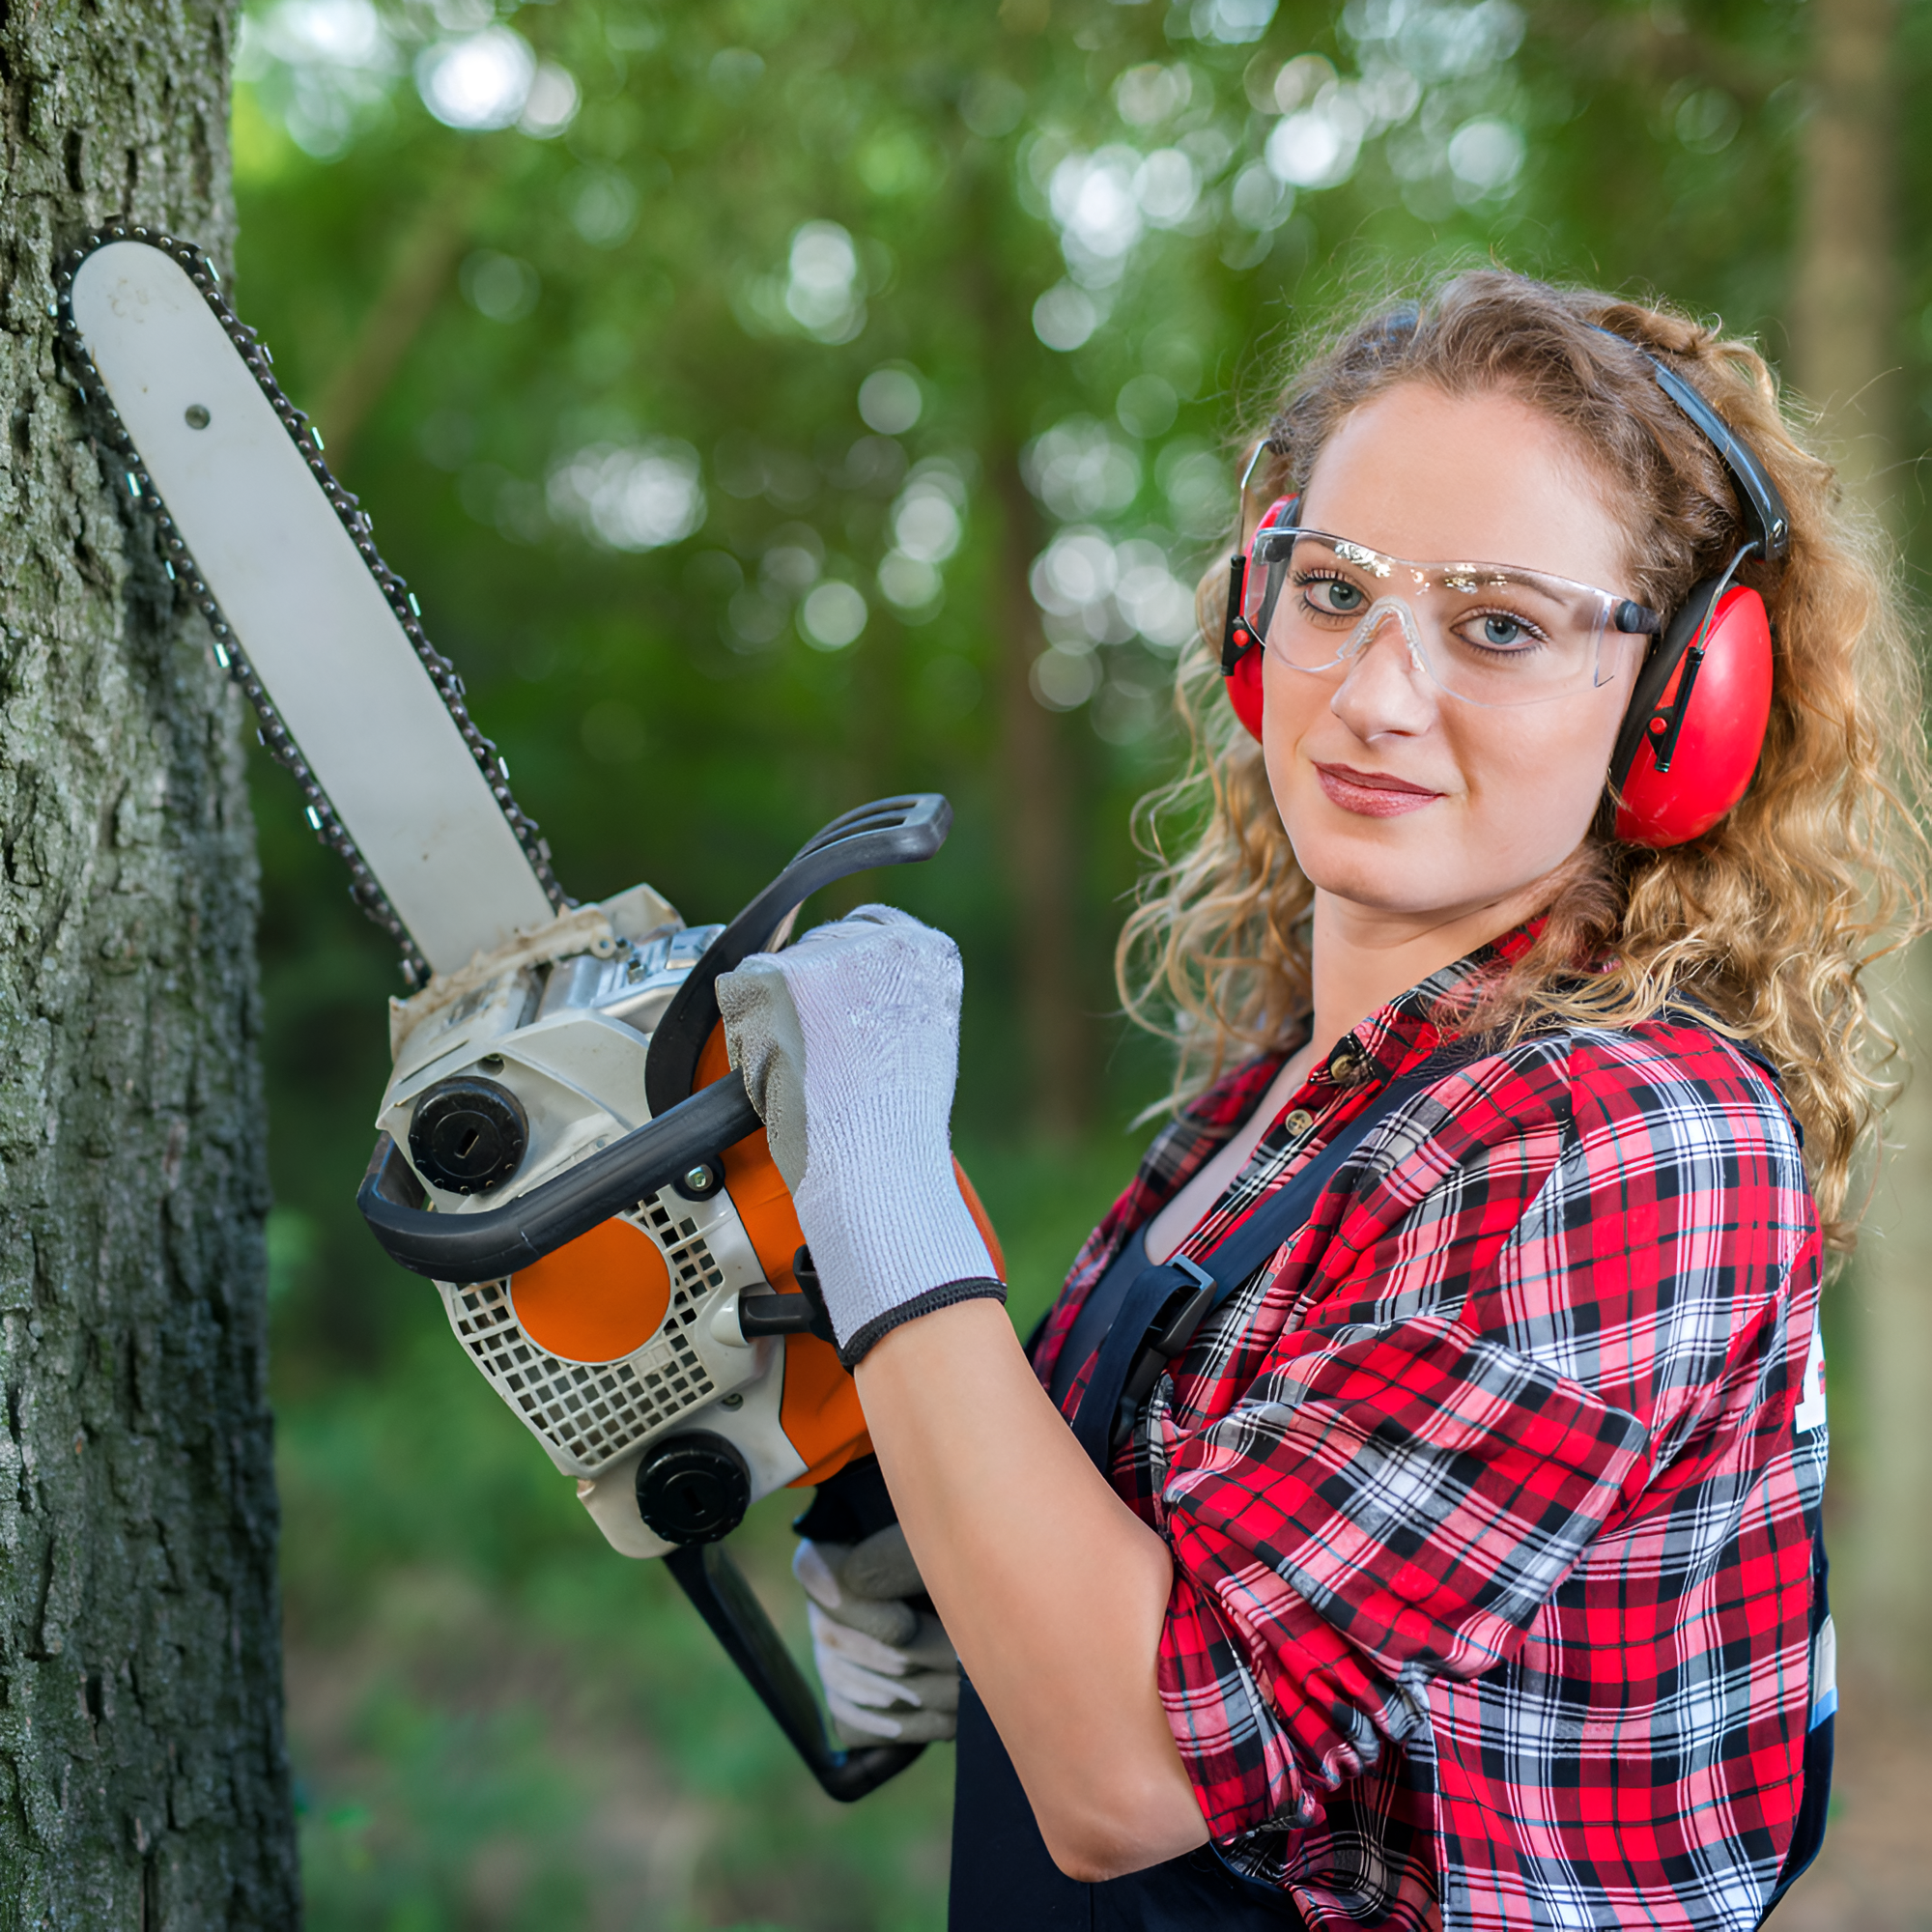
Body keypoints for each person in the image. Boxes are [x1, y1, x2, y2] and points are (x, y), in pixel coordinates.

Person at [716, 270, 1928, 1932]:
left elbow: (1135, 1760)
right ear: (1251, 621)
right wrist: (929, 1554)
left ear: (1679, 704)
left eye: (1500, 625)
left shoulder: (1632, 1144)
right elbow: (1164, 1572)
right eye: (1333, 590)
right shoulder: (1270, 1110)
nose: (1373, 693)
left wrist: (877, 1179)